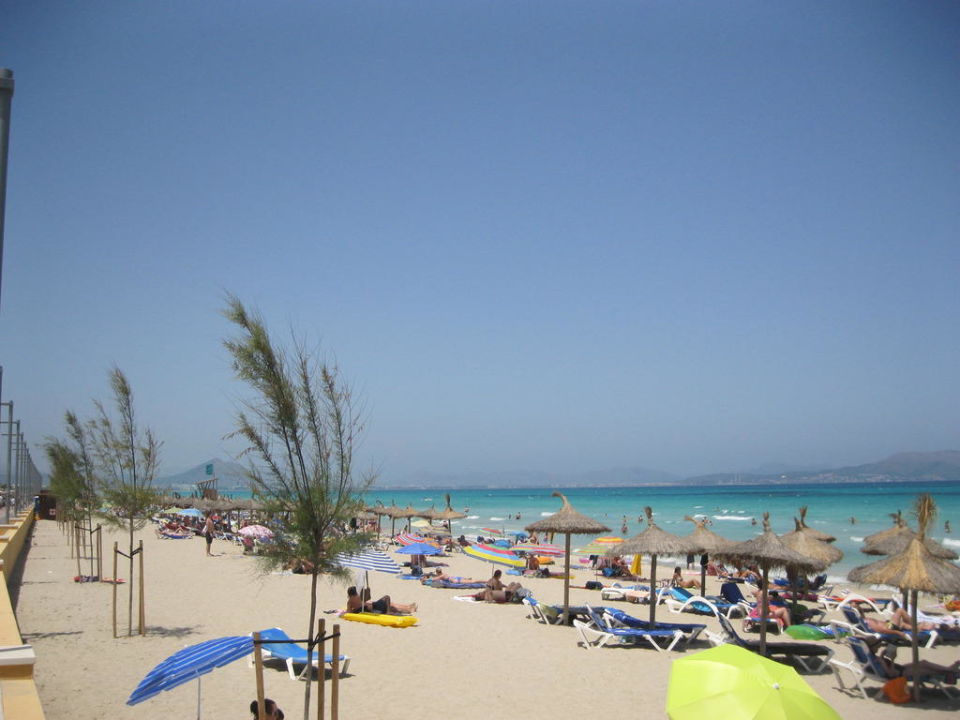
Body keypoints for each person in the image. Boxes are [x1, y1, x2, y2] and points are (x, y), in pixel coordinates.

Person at [345, 586, 416, 615]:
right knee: (389, 602)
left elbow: (348, 612)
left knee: (391, 605)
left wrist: (354, 610)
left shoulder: (350, 601)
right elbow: (368, 598)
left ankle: (408, 608)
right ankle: (408, 609)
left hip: (373, 608)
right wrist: (368, 591)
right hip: (374, 608)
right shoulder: (359, 596)